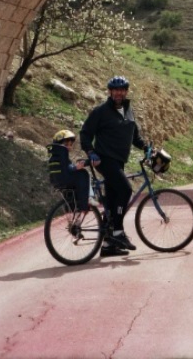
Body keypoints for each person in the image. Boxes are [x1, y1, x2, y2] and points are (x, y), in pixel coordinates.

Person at [79, 75, 148, 257]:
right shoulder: (100, 112)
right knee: (125, 190)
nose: (119, 93)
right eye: (115, 90)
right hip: (104, 159)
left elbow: (135, 137)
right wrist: (90, 151)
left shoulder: (128, 110)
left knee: (112, 201)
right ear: (110, 92)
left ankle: (108, 245)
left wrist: (146, 147)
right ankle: (118, 232)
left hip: (119, 161)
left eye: (122, 90)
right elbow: (85, 134)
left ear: (126, 92)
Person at [47, 129, 91, 212]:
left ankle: (73, 206)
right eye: (66, 144)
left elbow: (63, 167)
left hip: (56, 180)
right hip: (66, 178)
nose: (69, 146)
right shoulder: (62, 156)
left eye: (70, 145)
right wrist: (76, 167)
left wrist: (74, 167)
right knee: (84, 174)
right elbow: (68, 168)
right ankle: (87, 200)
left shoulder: (54, 156)